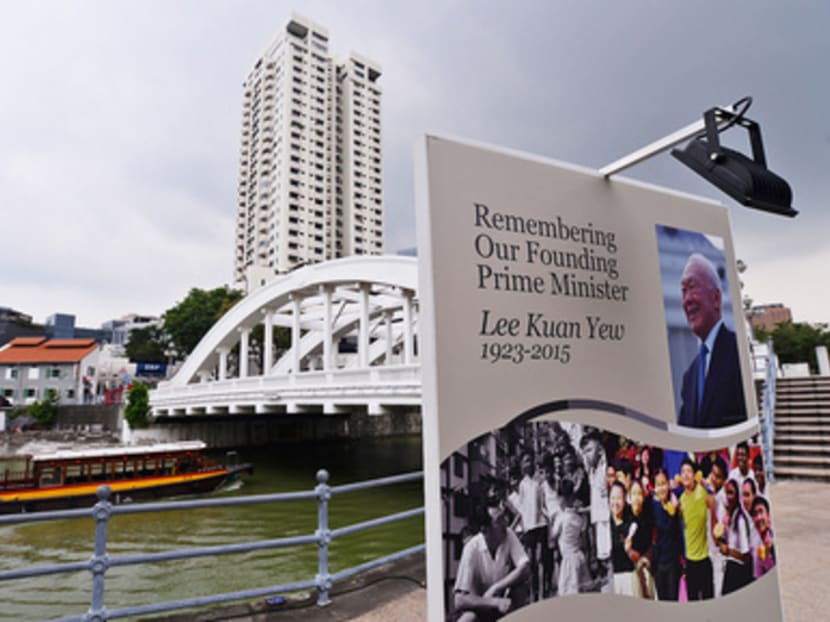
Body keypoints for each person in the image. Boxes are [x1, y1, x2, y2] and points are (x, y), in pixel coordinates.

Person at [677, 253, 748, 429]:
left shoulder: (739, 352)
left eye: (692, 288)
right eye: (683, 291)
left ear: (716, 298)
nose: (687, 300)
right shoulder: (689, 376)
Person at [454, 491, 531, 621]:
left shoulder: (508, 534)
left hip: (502, 607)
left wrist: (496, 588)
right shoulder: (472, 548)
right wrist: (493, 602)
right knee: (467, 619)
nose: (506, 523)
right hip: (479, 608)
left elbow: (525, 568)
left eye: (504, 517)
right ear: (485, 529)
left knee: (520, 588)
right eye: (499, 520)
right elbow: (459, 600)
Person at [678, 457, 715, 600]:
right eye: (683, 472)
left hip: (705, 559)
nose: (686, 475)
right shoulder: (680, 501)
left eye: (689, 471)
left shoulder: (703, 492)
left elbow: (714, 503)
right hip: (689, 562)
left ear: (695, 475)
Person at [581, 431, 612, 593]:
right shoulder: (592, 472)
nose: (586, 455)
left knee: (610, 559)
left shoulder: (605, 469)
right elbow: (596, 503)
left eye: (589, 450)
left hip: (607, 521)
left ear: (600, 450)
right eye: (584, 451)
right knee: (604, 561)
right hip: (598, 520)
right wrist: (582, 510)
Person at [550, 479, 590, 595]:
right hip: (579, 556)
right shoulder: (578, 518)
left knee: (569, 593)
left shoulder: (561, 518)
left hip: (568, 560)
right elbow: (583, 540)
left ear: (562, 499)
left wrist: (550, 522)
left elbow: (552, 537)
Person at [717, 479, 753, 594]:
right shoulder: (731, 517)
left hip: (738, 571)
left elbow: (746, 556)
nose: (728, 497)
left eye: (731, 493)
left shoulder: (740, 520)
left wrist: (728, 551)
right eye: (727, 493)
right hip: (730, 567)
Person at [651, 468, 682, 600]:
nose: (662, 488)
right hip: (658, 563)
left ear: (668, 484)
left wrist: (674, 510)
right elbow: (663, 527)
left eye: (664, 484)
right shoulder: (653, 506)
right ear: (654, 487)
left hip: (672, 562)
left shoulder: (674, 501)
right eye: (658, 485)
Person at [625, 479, 655, 599]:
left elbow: (650, 543)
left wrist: (645, 560)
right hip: (630, 569)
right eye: (634, 494)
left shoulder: (648, 515)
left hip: (646, 565)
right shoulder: (625, 516)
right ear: (629, 497)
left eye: (639, 494)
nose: (637, 498)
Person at [609, 481, 635, 595]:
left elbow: (636, 558)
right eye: (613, 498)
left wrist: (629, 550)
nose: (615, 502)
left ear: (625, 500)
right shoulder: (606, 526)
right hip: (610, 579)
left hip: (627, 578)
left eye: (619, 498)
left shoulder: (631, 525)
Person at [751, 496, 776, 577]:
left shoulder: (775, 538)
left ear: (768, 515)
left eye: (761, 512)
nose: (758, 518)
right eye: (755, 514)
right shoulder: (757, 549)